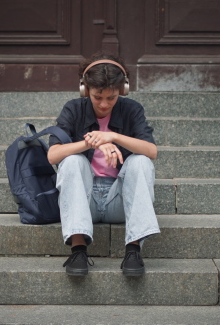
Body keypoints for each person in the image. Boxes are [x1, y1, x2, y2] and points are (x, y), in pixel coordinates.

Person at [47, 53, 160, 277]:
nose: (104, 104)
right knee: (71, 161)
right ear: (85, 90)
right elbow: (53, 156)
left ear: (122, 91)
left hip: (119, 200)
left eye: (112, 97)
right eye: (98, 96)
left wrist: (112, 138)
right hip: (84, 200)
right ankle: (78, 250)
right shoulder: (73, 109)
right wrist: (90, 143)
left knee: (140, 161)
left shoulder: (131, 109)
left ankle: (133, 250)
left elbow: (152, 151)